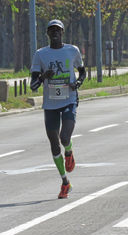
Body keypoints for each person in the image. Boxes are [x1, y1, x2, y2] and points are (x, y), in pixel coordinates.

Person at [30, 19, 86, 199]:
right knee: (54, 143)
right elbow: (33, 85)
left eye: (58, 30)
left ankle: (69, 151)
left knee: (64, 137)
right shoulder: (40, 54)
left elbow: (83, 71)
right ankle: (65, 182)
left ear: (62, 33)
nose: (55, 33)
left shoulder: (72, 50)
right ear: (47, 34)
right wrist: (44, 76)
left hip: (69, 99)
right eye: (51, 30)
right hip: (50, 104)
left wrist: (77, 82)